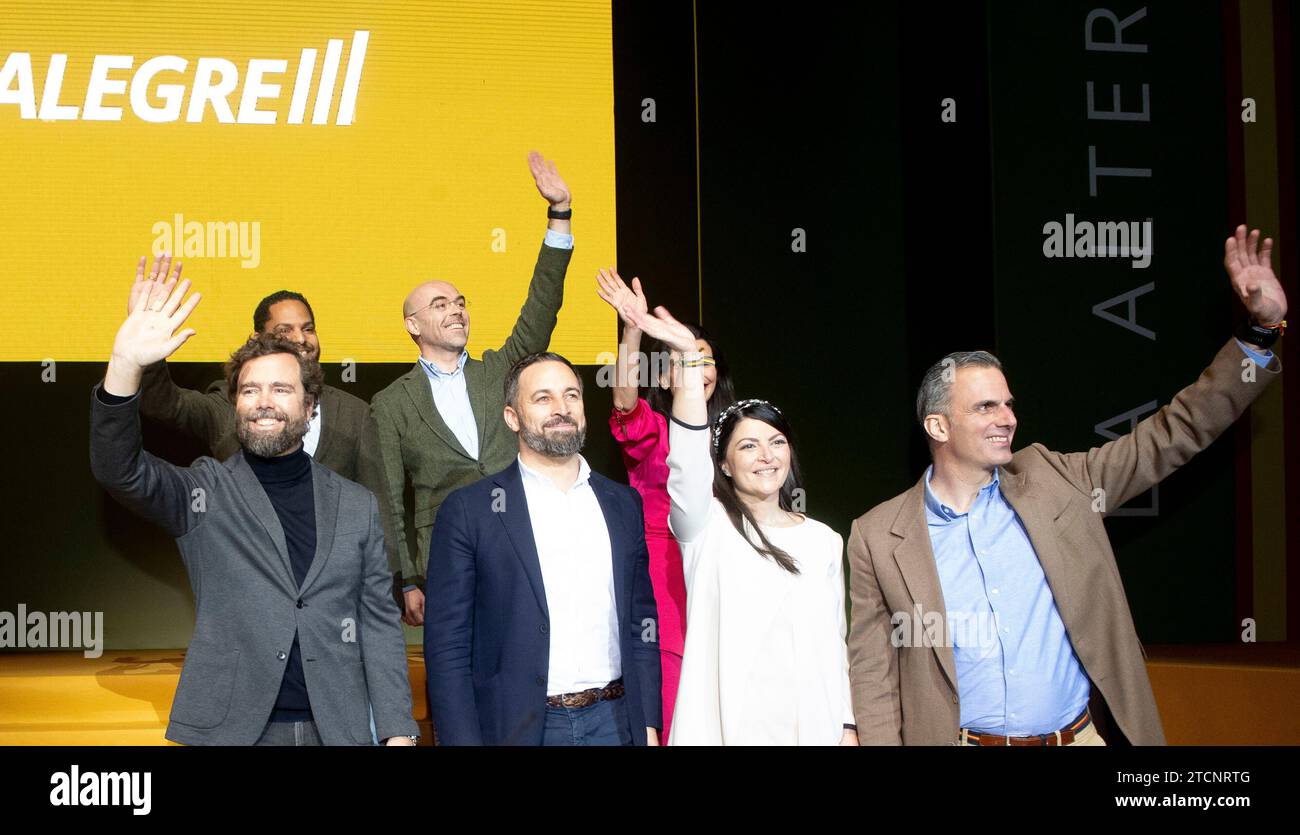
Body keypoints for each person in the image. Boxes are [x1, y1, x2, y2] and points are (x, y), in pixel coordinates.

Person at [846, 225, 1287, 746]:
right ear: (938, 426)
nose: (1007, 418)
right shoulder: (877, 536)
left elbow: (1174, 433)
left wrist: (1259, 334)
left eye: (1008, 404)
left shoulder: (1058, 481)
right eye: (986, 407)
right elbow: (873, 680)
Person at [89, 266, 418, 746]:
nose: (264, 401)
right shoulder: (204, 492)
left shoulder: (356, 506)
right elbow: (120, 470)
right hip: (233, 731)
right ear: (235, 405)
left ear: (309, 407)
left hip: (340, 729)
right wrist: (124, 365)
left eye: (281, 389)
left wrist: (397, 732)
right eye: (250, 390)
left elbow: (378, 626)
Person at [617, 300, 856, 745]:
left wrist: (847, 725)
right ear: (721, 465)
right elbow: (686, 453)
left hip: (812, 728)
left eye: (777, 441)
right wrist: (686, 355)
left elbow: (834, 643)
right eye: (748, 446)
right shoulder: (705, 528)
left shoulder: (824, 540)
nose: (766, 455)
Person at [373, 151, 575, 627]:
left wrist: (559, 216)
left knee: (524, 657)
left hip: (520, 538)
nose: (456, 310)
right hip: (446, 557)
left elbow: (541, 305)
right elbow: (389, 494)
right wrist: (404, 578)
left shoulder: (499, 370)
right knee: (456, 672)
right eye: (439, 304)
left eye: (460, 302)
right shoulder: (391, 403)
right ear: (412, 325)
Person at [423, 352, 662, 745]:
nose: (561, 409)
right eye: (543, 398)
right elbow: (448, 648)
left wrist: (648, 723)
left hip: (617, 722)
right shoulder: (470, 511)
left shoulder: (623, 504)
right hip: (521, 728)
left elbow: (641, 623)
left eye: (571, 395)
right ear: (511, 417)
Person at [129, 260, 397, 598]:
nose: (301, 339)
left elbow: (378, 504)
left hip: (334, 591)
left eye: (309, 328)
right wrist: (147, 353)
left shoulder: (355, 413)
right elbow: (164, 404)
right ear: (259, 338)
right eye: (285, 330)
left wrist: (396, 580)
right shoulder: (231, 405)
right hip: (250, 587)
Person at [595, 268, 736, 740]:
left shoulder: (740, 435)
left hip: (730, 568)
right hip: (665, 576)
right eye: (681, 357)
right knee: (672, 702)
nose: (698, 369)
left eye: (704, 359)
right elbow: (624, 401)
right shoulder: (655, 427)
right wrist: (633, 328)